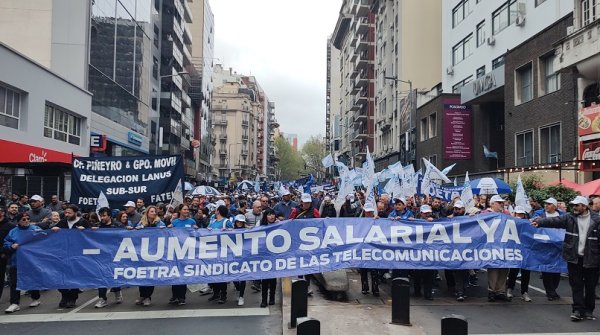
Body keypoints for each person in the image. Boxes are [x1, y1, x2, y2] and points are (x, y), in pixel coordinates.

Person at [532, 196, 600, 321]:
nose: (574, 207)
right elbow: (555, 221)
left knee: (590, 287)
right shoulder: (570, 217)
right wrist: (540, 222)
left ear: (584, 207)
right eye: (573, 205)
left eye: (577, 205)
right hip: (574, 258)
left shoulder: (597, 219)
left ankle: (589, 310)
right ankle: (577, 310)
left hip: (592, 259)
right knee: (576, 285)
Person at [51, 204, 90, 308]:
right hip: (63, 253)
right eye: (66, 212)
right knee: (61, 276)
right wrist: (53, 229)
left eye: (69, 213)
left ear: (75, 213)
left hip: (77, 254)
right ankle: (64, 295)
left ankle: (73, 297)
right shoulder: (62, 222)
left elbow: (91, 236)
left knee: (74, 276)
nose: (67, 214)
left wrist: (85, 231)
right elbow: (51, 232)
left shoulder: (83, 222)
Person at [3, 212, 42, 313]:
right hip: (16, 261)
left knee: (32, 280)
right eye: (24, 219)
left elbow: (44, 239)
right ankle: (14, 303)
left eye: (28, 218)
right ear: (18, 220)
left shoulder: (35, 229)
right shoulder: (13, 232)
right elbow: (6, 242)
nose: (26, 221)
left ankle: (35, 298)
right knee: (14, 282)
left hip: (31, 261)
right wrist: (11, 246)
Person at [531, 197, 564, 301]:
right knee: (546, 269)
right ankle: (550, 292)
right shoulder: (539, 213)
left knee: (557, 269)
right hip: (545, 245)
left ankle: (553, 289)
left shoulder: (562, 215)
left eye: (549, 204)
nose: (546, 206)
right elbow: (533, 222)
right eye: (545, 204)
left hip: (558, 246)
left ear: (554, 206)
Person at [134, 206, 166, 306]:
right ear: (147, 213)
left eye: (155, 211)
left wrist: (164, 229)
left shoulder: (160, 223)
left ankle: (148, 296)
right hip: (142, 253)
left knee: (150, 275)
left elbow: (166, 234)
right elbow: (134, 235)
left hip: (154, 252)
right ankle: (142, 295)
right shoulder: (141, 223)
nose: (153, 213)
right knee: (142, 275)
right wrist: (136, 229)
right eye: (151, 211)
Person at [93, 207, 124, 308]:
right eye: (101, 216)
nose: (102, 218)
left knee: (114, 275)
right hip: (102, 256)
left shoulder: (117, 225)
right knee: (102, 277)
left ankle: (117, 291)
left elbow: (124, 236)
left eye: (104, 215)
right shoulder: (97, 226)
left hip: (115, 255)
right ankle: (102, 298)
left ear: (109, 216)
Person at [482, 195, 510, 302]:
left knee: (504, 268)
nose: (501, 204)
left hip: (505, 245)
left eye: (502, 203)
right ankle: (492, 291)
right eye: (499, 203)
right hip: (492, 245)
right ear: (492, 204)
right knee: (493, 269)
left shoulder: (506, 214)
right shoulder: (485, 214)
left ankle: (500, 291)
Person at [206, 205, 233, 304]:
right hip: (212, 251)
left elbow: (234, 233)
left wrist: (226, 231)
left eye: (216, 210)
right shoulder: (213, 222)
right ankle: (216, 293)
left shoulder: (226, 222)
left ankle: (223, 295)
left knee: (221, 274)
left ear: (218, 211)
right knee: (213, 274)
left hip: (222, 251)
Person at [506, 206, 532, 302]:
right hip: (515, 250)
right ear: (514, 214)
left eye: (521, 214)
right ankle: (510, 289)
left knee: (526, 272)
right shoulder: (510, 223)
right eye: (518, 214)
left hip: (525, 251)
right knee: (514, 270)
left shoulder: (528, 224)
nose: (520, 216)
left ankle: (524, 292)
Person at [259, 208, 279, 307]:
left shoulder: (279, 224)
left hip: (274, 255)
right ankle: (263, 300)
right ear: (265, 216)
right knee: (264, 279)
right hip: (264, 255)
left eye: (273, 214)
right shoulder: (260, 225)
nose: (271, 216)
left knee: (273, 279)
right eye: (269, 214)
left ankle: (272, 298)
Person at [359, 202, 379, 296]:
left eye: (370, 212)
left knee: (374, 269)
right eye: (367, 212)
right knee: (363, 269)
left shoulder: (377, 219)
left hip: (374, 248)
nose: (369, 214)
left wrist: (379, 220)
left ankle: (375, 288)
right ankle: (364, 287)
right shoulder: (359, 221)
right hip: (363, 248)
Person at [0, 207, 15, 303]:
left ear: (3, 213)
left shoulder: (10, 226)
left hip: (2, 255)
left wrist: (5, 253)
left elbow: (12, 241)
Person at [233, 214, 248, 306]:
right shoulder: (231, 231)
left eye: (241, 222)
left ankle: (241, 296)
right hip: (233, 256)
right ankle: (238, 290)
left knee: (243, 276)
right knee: (233, 276)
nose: (239, 223)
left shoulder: (247, 231)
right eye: (238, 222)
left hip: (244, 256)